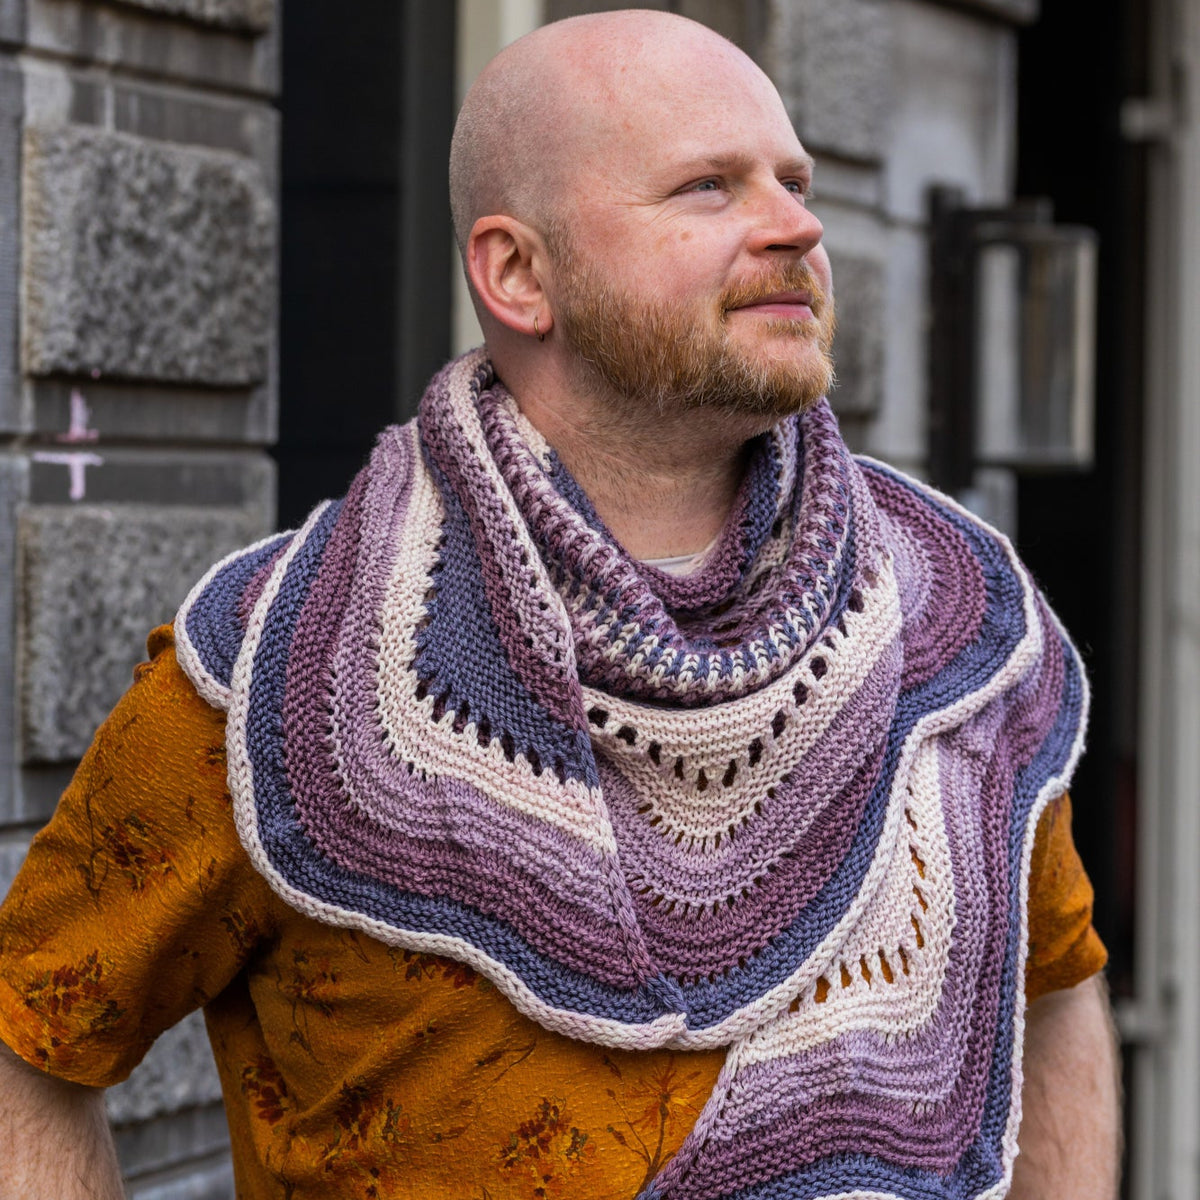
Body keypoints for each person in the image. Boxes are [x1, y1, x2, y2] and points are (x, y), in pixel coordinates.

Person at [0, 10, 1119, 1199]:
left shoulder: (957, 624)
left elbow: (1054, 988)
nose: (797, 224)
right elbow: (32, 1043)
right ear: (519, 273)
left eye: (792, 182)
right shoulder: (282, 674)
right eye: (707, 188)